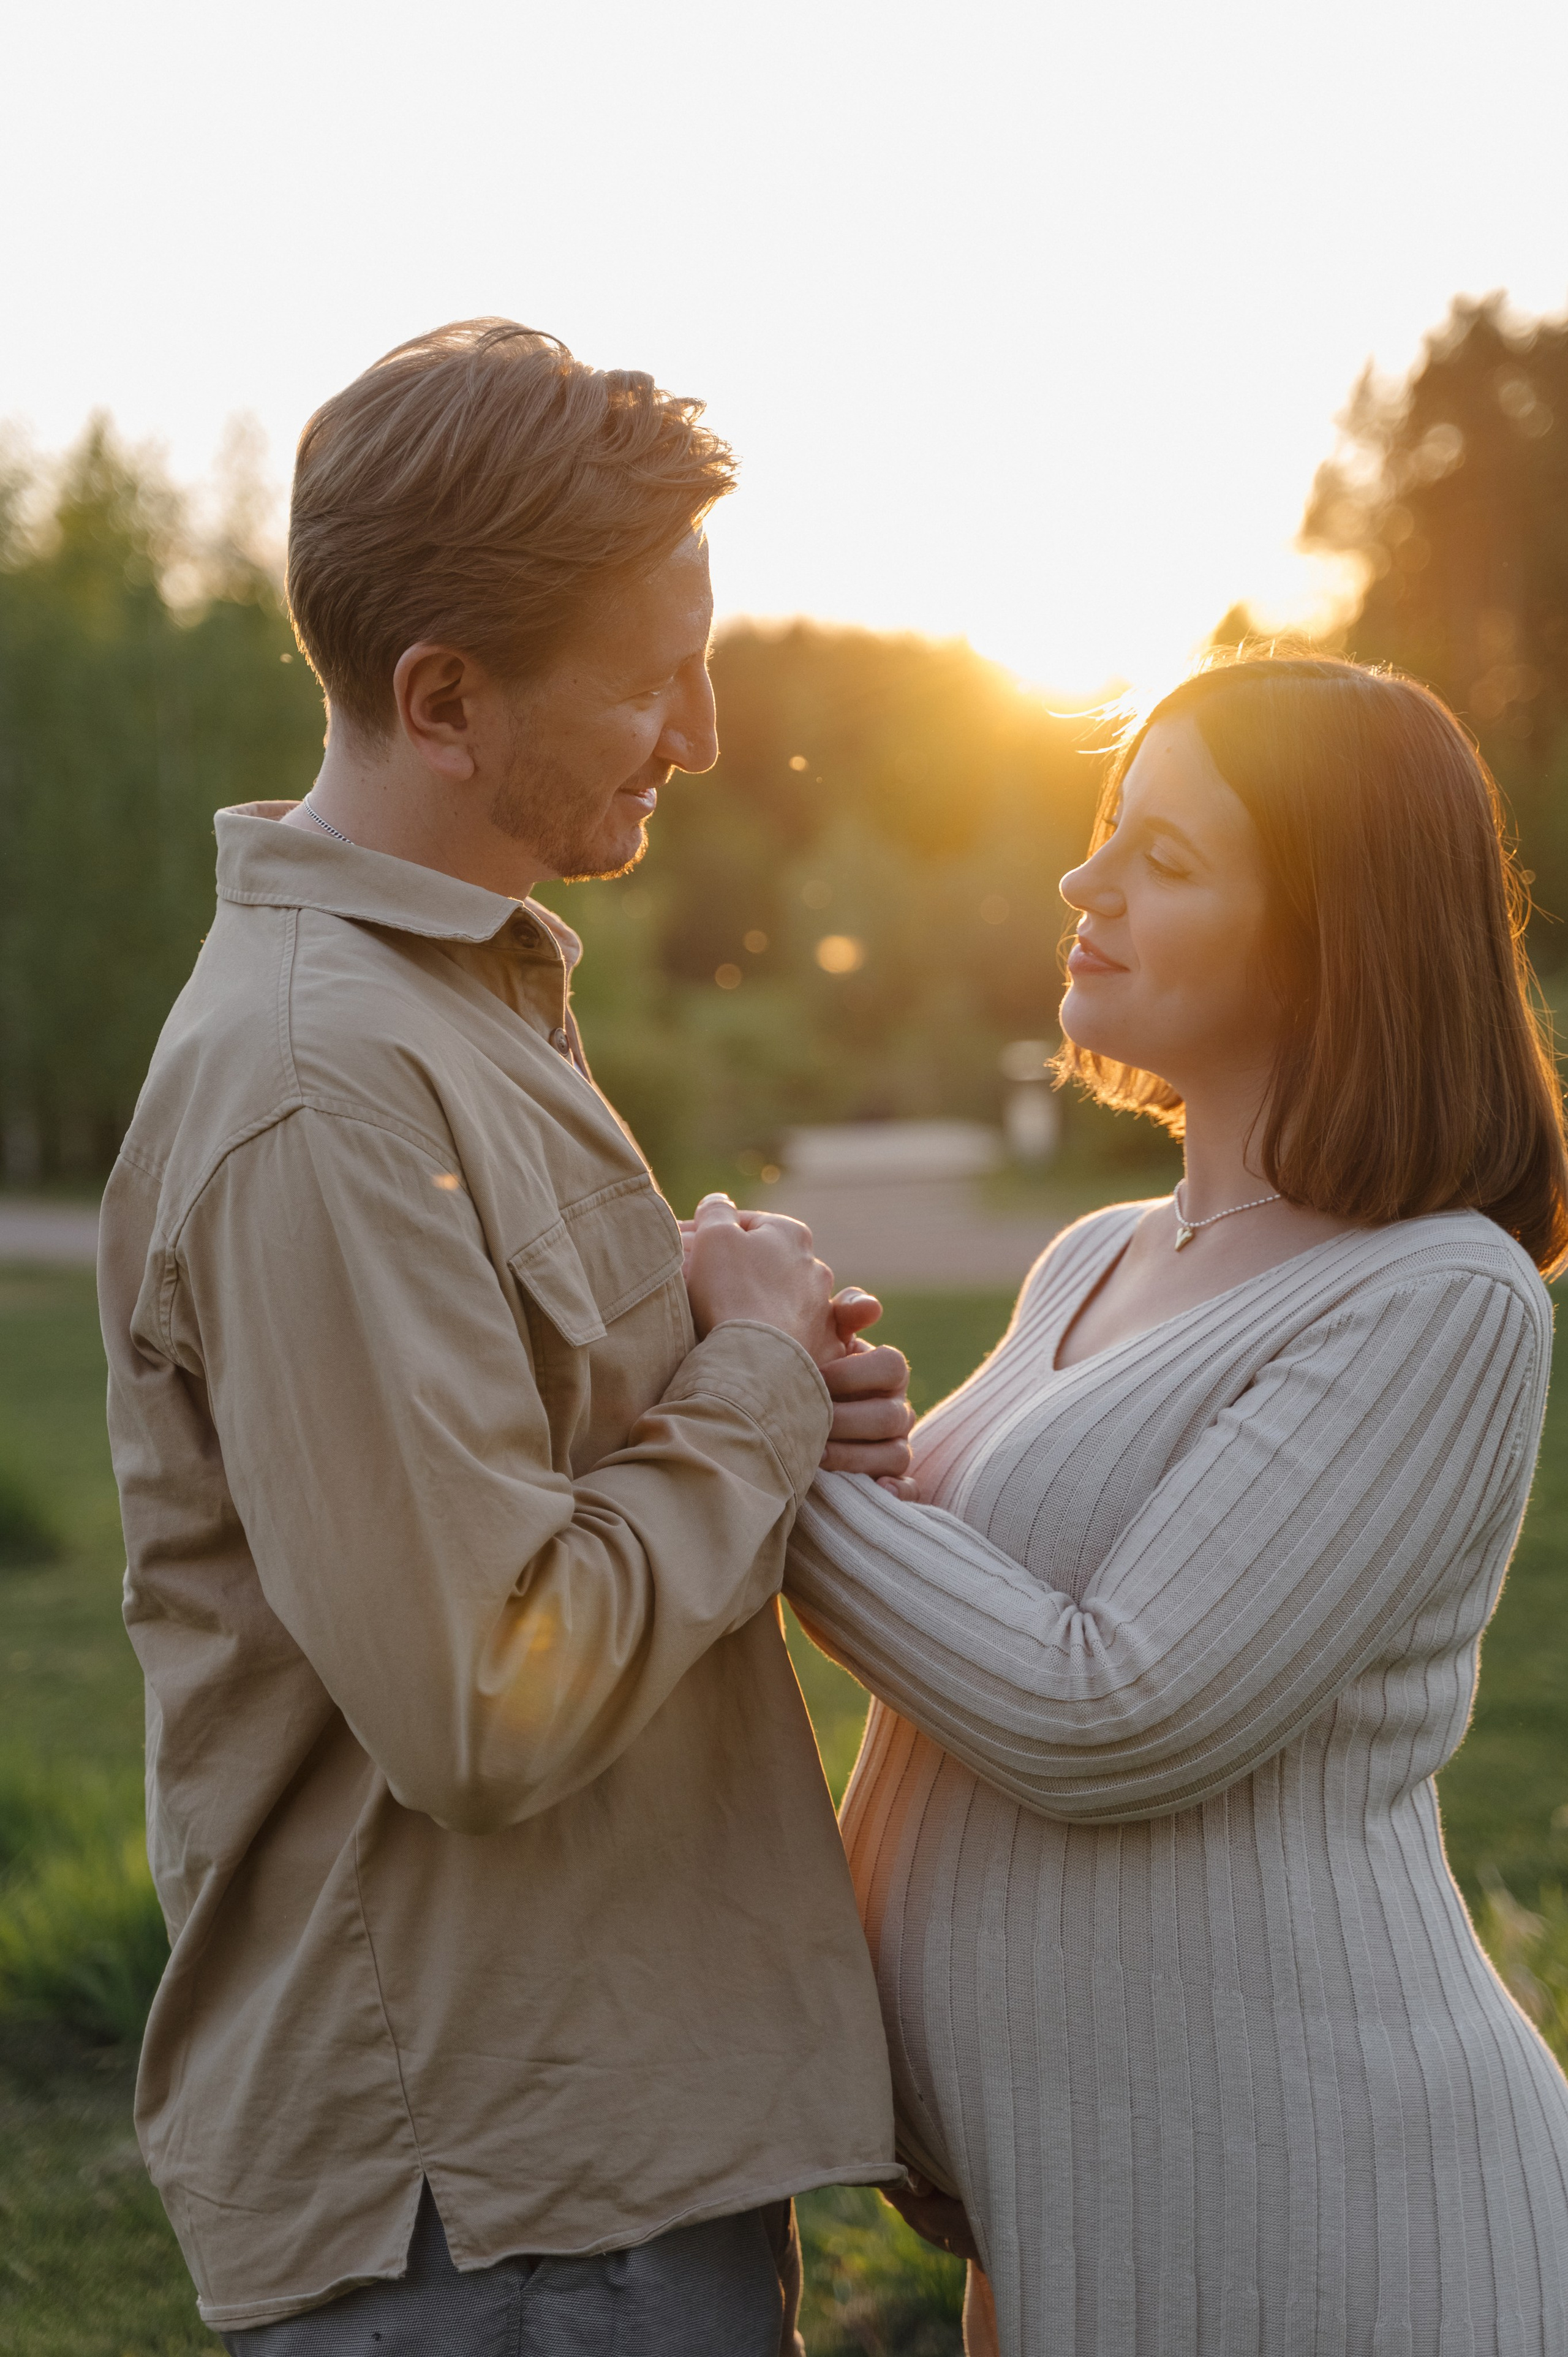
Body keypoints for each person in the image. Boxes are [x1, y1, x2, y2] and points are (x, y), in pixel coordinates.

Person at [97, 319, 916, 2353]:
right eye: (654, 679)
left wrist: (780, 1397)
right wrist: (737, 1387)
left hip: (594, 2161)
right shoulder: (325, 1092)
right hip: (502, 2230)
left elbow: (547, 1485)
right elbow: (489, 1699)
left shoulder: (451, 1013)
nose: (704, 734)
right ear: (444, 699)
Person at [781, 654, 1568, 2356]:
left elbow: (1111, 1709)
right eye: (1104, 831)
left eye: (1170, 858)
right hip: (1088, 2208)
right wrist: (829, 1416)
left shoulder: (1440, 1295)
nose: (1087, 882)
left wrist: (768, 1461)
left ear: (1330, 939)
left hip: (1332, 2216)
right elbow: (941, 1573)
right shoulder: (1094, 1256)